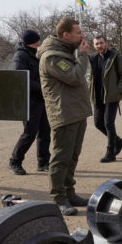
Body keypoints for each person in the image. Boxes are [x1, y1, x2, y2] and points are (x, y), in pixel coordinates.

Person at [37, 18, 92, 216]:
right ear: (66, 35)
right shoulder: (52, 56)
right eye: (78, 32)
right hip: (64, 113)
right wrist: (84, 56)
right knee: (61, 158)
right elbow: (75, 77)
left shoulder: (65, 52)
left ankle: (70, 192)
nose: (82, 36)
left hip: (76, 112)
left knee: (73, 157)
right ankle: (59, 198)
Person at [8, 30, 51, 175]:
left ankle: (43, 162)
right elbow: (21, 79)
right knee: (29, 133)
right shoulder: (20, 56)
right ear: (34, 41)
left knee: (45, 132)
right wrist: (42, 88)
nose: (40, 41)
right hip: (29, 100)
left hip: (42, 99)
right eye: (38, 40)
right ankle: (15, 161)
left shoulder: (36, 54)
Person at [88, 35, 122, 162]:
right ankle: (119, 142)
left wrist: (117, 90)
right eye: (96, 44)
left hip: (112, 97)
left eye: (101, 43)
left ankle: (110, 152)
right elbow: (90, 77)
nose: (99, 46)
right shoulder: (92, 58)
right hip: (97, 97)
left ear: (106, 43)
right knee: (98, 123)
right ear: (94, 45)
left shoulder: (115, 57)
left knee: (108, 123)